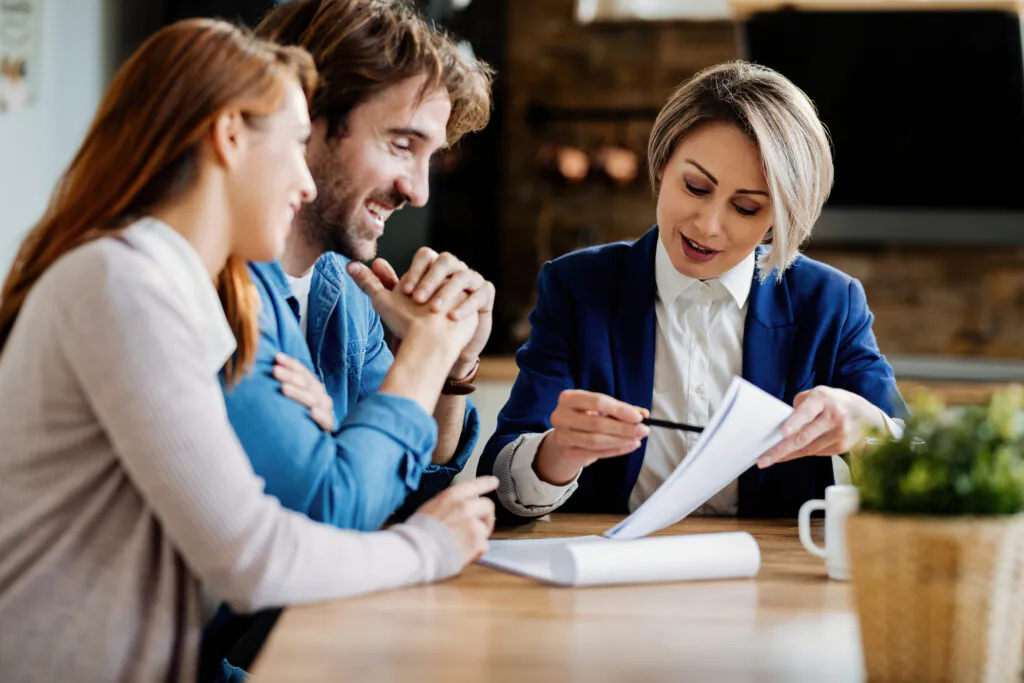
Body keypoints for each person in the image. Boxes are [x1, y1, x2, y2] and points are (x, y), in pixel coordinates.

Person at [0, 19, 496, 683]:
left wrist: (364, 425)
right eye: (294, 142)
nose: (302, 178)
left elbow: (352, 501)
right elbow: (259, 554)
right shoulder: (126, 285)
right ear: (231, 136)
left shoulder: (178, 286)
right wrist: (426, 545)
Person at [478, 61, 906, 523]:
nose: (708, 225)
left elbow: (923, 456)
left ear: (780, 217)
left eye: (745, 208)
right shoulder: (577, 286)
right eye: (696, 187)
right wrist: (556, 454)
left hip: (772, 580)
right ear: (662, 164)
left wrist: (868, 429)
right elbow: (498, 481)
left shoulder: (829, 302)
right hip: (608, 575)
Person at [221, 0, 495, 534]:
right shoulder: (217, 287)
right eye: (401, 145)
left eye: (430, 158)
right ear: (305, 115)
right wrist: (426, 350)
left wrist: (451, 368)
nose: (418, 192)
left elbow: (406, 495)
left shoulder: (348, 290)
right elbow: (329, 511)